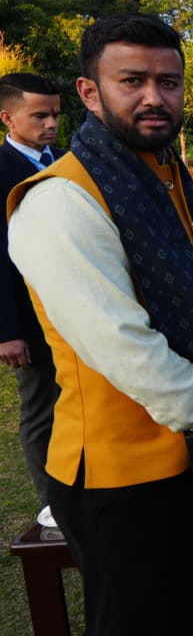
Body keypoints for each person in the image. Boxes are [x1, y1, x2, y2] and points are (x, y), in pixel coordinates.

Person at [7, 12, 193, 636]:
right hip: (118, 475)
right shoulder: (61, 200)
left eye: (168, 82)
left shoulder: (171, 181)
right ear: (90, 91)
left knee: (181, 624)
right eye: (132, 80)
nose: (155, 97)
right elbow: (125, 348)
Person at [0, 73, 64, 528]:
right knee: (41, 409)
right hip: (28, 318)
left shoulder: (66, 161)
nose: (51, 124)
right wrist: (7, 332)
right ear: (8, 117)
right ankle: (52, 500)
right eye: (39, 115)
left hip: (76, 310)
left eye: (55, 114)